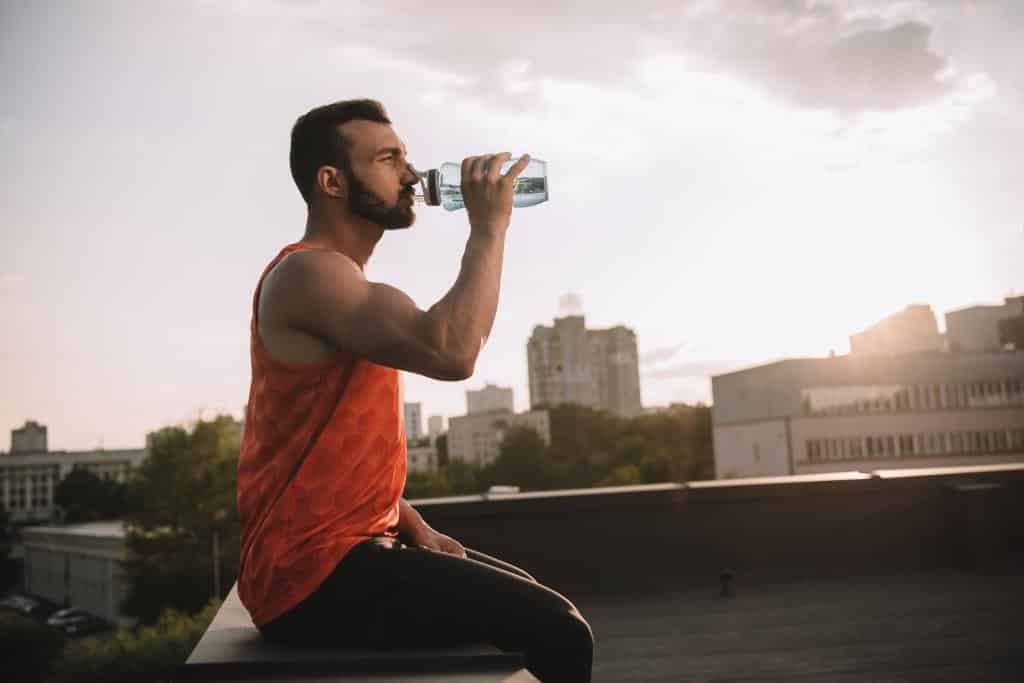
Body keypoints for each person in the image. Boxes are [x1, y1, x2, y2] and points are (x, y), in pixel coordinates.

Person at [236, 99, 593, 682]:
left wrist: (411, 523)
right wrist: (489, 226)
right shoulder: (311, 275)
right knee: (560, 631)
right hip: (313, 577)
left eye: (406, 156)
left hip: (342, 557)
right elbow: (451, 351)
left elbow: (322, 449)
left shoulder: (344, 285)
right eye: (387, 158)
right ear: (332, 181)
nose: (410, 172)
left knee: (527, 598)